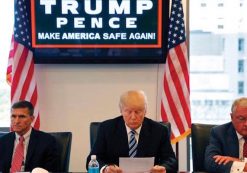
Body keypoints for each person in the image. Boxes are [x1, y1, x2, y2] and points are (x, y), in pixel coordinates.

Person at [86, 90, 178, 173]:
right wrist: (105, 169)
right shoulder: (106, 128)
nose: (133, 117)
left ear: (145, 110)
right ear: (121, 110)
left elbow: (171, 160)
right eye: (128, 111)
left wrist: (163, 168)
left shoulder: (159, 130)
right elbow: (92, 159)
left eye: (138, 111)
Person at [0, 100, 60, 172]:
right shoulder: (3, 141)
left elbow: (51, 170)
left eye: (22, 117)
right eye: (13, 116)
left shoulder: (47, 141)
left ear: (32, 119)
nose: (16, 121)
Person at [205, 97, 247, 173]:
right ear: (232, 117)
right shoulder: (219, 133)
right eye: (241, 118)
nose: (246, 124)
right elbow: (210, 162)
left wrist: (237, 161)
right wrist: (243, 165)